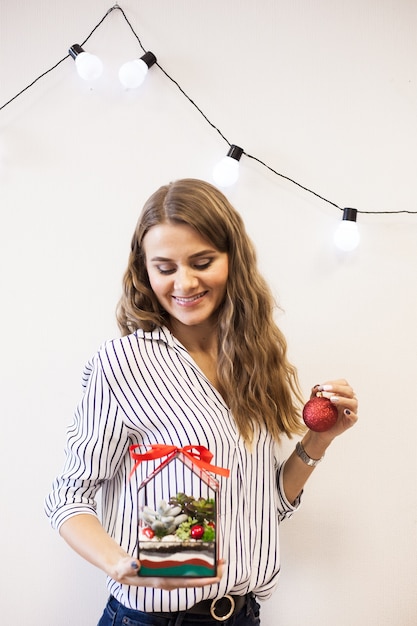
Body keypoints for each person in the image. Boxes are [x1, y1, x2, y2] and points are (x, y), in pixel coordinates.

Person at [45, 178, 358, 625]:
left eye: (202, 261)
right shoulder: (125, 363)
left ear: (233, 259)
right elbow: (67, 498)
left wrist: (320, 440)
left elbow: (264, 508)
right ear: (145, 272)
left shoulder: (253, 357)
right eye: (165, 267)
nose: (184, 282)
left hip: (243, 614)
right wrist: (125, 567)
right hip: (155, 619)